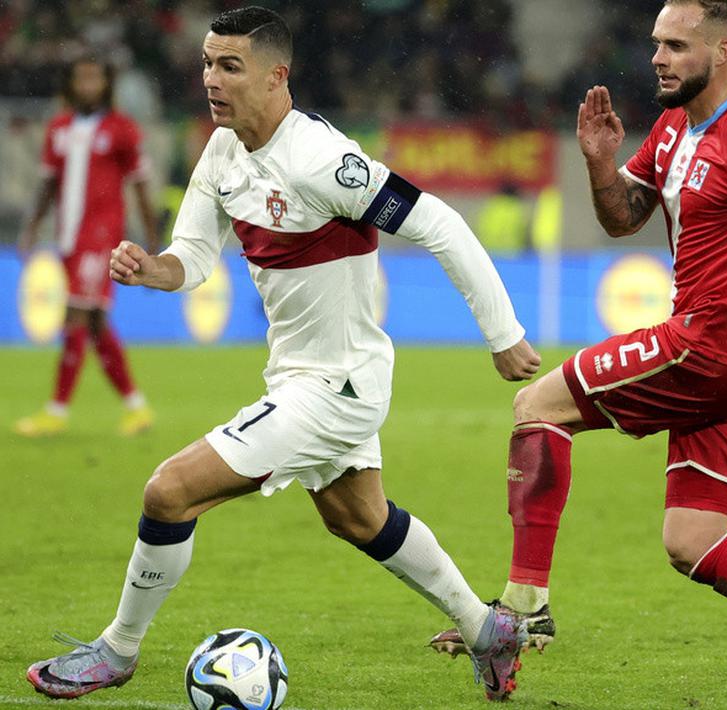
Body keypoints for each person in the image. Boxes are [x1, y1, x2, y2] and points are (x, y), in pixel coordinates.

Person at [26, 6, 541, 702]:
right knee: (357, 517)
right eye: (207, 62)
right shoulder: (222, 150)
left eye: (229, 65)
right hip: (304, 375)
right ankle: (487, 630)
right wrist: (154, 269)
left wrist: (502, 333)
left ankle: (116, 652)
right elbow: (195, 256)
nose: (211, 78)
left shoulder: (323, 161)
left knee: (168, 492)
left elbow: (441, 225)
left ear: (277, 77)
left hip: (336, 386)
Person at [430, 0, 727, 697]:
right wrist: (600, 165)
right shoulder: (672, 128)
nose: (656, 57)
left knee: (537, 405)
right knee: (690, 540)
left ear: (720, 53)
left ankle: (523, 609)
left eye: (676, 46)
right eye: (655, 43)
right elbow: (625, 217)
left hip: (711, 347)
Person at [15, 56, 159, 438]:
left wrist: (152, 235)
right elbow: (47, 184)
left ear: (107, 84)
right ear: (71, 82)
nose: (89, 85)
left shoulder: (121, 130)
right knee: (95, 325)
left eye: (96, 78)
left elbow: (141, 184)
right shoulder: (59, 128)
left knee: (75, 318)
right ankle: (136, 407)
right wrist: (30, 228)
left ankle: (55, 411)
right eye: (82, 78)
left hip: (101, 239)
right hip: (68, 238)